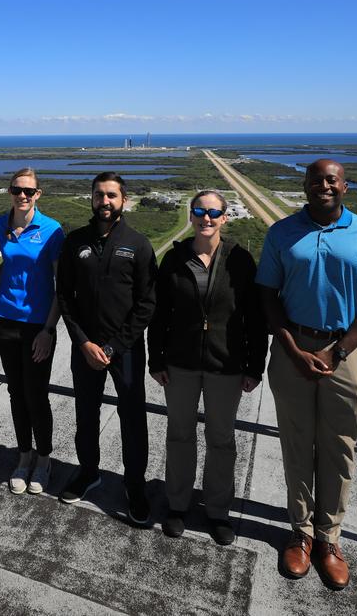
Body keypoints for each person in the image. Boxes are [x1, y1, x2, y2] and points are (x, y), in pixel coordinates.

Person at [256, 159, 357, 590]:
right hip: (292, 347)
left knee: (339, 447)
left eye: (332, 180)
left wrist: (339, 350)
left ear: (345, 187)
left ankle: (329, 538)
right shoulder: (282, 232)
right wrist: (293, 350)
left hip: (344, 350)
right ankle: (299, 532)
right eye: (316, 180)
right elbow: (266, 294)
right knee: (296, 441)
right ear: (305, 186)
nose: (324, 186)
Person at [148, 190, 266, 545]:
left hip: (226, 364)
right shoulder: (175, 258)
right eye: (199, 211)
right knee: (179, 435)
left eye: (214, 212)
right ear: (192, 214)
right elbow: (159, 314)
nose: (206, 218)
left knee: (221, 440)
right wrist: (156, 359)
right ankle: (178, 505)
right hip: (180, 363)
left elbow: (255, 318)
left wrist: (254, 366)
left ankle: (217, 511)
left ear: (224, 218)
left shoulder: (240, 260)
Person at [56, 172, 156, 525]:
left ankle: (135, 485)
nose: (105, 201)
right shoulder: (75, 242)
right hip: (85, 348)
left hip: (125, 350)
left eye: (112, 195)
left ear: (123, 200)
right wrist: (83, 341)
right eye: (99, 195)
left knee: (133, 419)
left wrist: (113, 347)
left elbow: (146, 303)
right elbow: (65, 297)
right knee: (85, 414)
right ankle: (88, 472)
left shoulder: (138, 244)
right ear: (91, 198)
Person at [0, 167, 64, 495]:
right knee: (16, 394)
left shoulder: (52, 230)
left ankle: (44, 459)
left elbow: (61, 286)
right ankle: (23, 456)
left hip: (38, 326)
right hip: (5, 321)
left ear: (38, 194)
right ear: (10, 191)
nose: (23, 195)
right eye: (17, 189)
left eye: (29, 191)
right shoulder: (0, 224)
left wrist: (49, 330)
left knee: (37, 396)